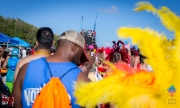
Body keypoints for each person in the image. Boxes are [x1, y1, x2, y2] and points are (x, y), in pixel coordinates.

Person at [13, 30, 94, 108]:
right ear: (74, 47)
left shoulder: (25, 69)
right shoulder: (82, 79)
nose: (79, 59)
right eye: (81, 54)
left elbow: (15, 104)